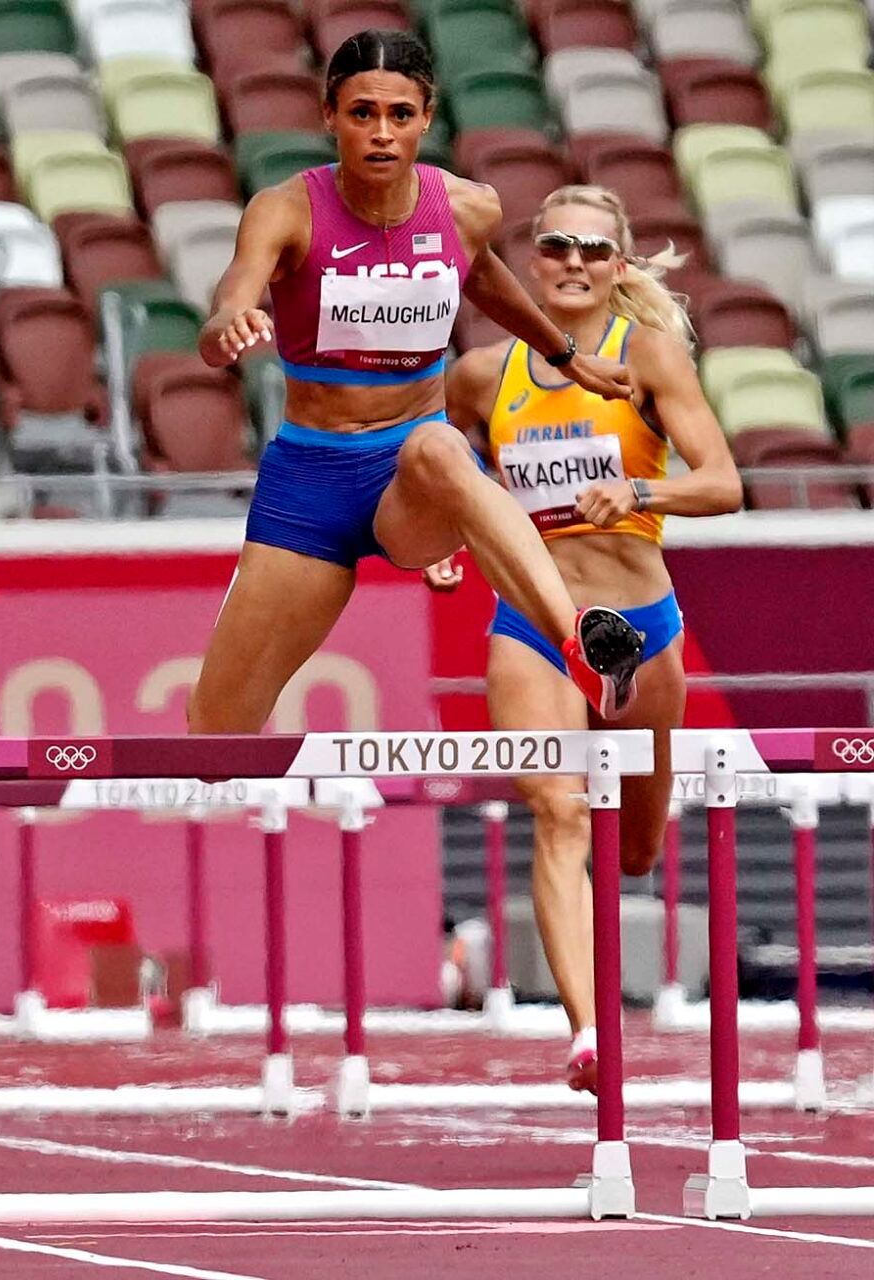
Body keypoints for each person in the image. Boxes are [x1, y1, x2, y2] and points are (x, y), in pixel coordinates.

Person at [189, 29, 649, 741]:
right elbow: (234, 293)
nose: (381, 133)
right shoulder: (286, 210)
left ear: (427, 119)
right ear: (329, 116)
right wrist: (230, 323)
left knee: (439, 447)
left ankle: (584, 646)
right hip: (310, 485)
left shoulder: (468, 207)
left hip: (409, 475)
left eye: (400, 115)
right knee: (214, 736)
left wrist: (564, 353)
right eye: (362, 113)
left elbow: (482, 270)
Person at [429, 185, 741, 1091]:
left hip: (640, 628)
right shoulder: (485, 375)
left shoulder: (648, 356)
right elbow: (442, 479)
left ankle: (595, 1006)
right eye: (556, 245)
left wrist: (639, 493)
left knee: (634, 849)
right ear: (530, 260)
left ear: (619, 266)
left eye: (593, 250)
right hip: (535, 622)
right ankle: (589, 1031)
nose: (572, 261)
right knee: (560, 812)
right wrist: (445, 545)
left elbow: (723, 483)